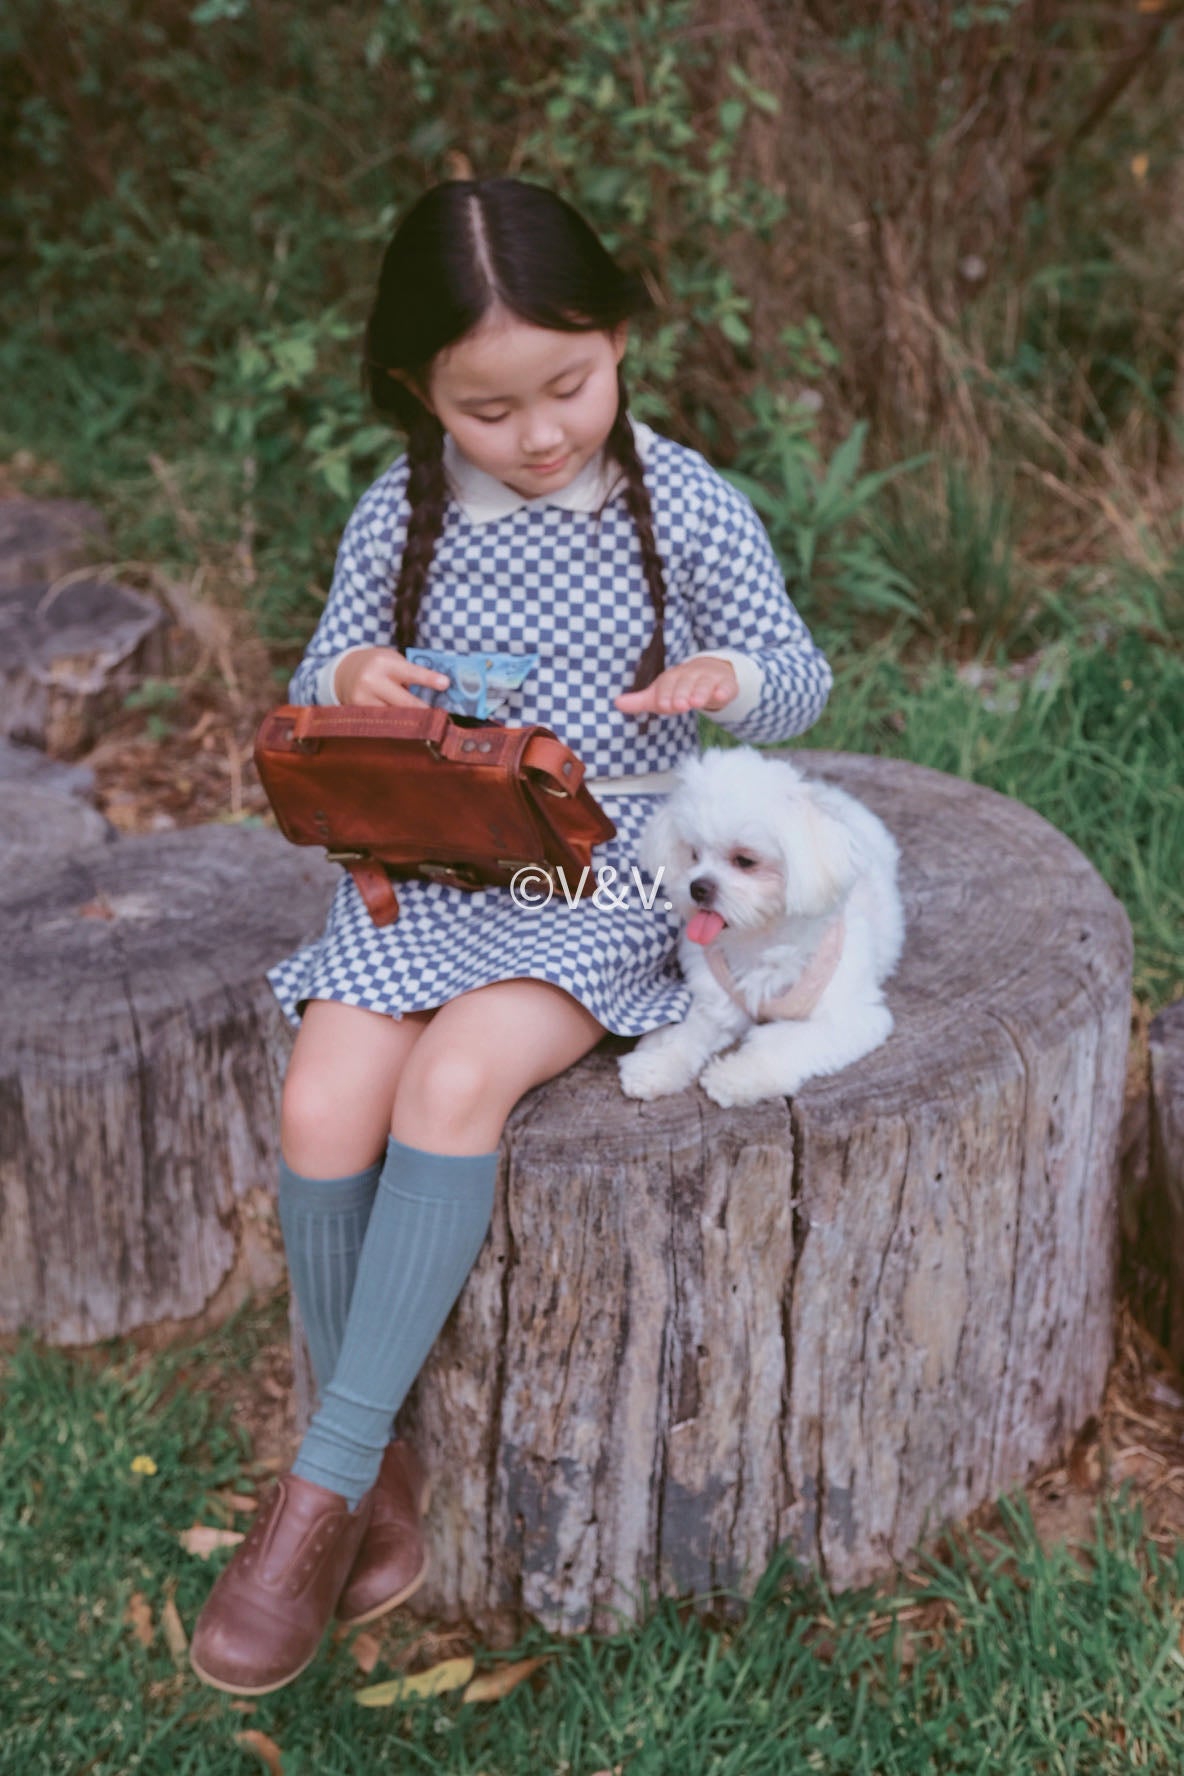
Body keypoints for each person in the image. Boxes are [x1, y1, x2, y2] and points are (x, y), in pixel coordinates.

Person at [189, 176, 832, 1694]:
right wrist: (355, 673)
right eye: (489, 408)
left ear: (619, 338)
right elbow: (325, 660)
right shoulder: (402, 510)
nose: (540, 435)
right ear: (422, 392)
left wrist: (726, 679)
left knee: (454, 1083)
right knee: (322, 1094)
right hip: (439, 854)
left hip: (603, 877)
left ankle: (319, 1493)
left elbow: (802, 676)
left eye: (569, 385)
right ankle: (383, 1473)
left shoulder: (685, 508)